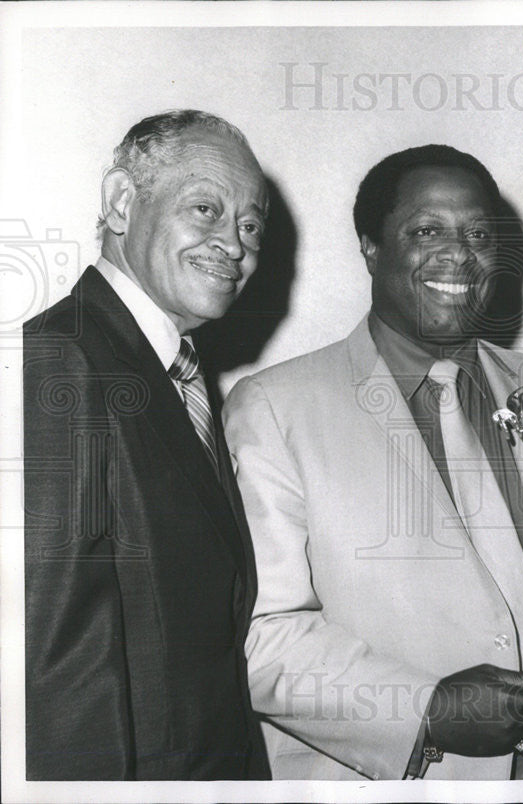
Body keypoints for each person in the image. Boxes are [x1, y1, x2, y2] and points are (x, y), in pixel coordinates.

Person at [223, 144, 523, 780]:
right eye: (426, 231)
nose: (459, 254)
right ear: (370, 248)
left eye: (479, 233)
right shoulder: (276, 408)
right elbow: (261, 636)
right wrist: (425, 710)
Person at [23, 110, 271, 780]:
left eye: (251, 225)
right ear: (122, 203)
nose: (234, 244)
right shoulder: (60, 362)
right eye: (205, 209)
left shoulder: (178, 374)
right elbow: (52, 666)